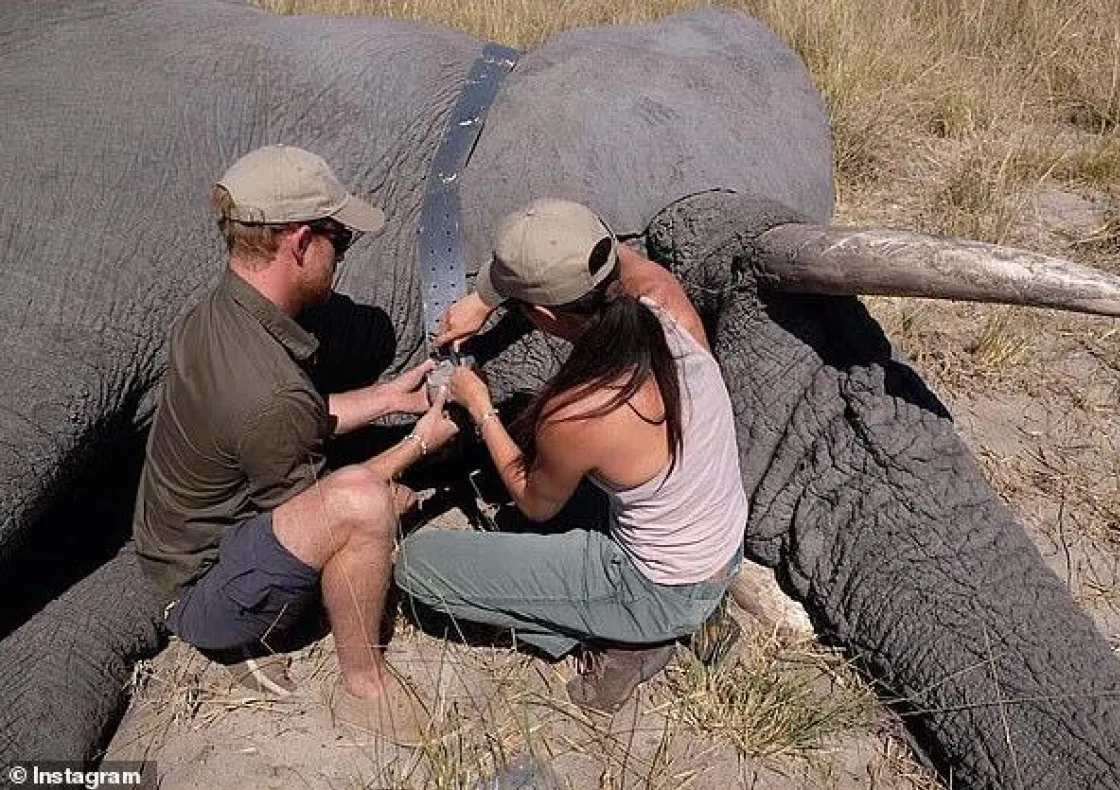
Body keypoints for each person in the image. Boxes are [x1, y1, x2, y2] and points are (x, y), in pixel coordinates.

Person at [133, 145, 458, 745]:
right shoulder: (269, 393)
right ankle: (362, 688)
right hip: (205, 592)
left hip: (175, 544)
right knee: (368, 505)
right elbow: (330, 503)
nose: (341, 256)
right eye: (341, 239)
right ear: (301, 243)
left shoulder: (219, 312)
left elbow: (288, 418)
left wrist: (387, 398)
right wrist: (419, 442)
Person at [394, 198, 747, 713]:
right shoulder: (663, 296)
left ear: (542, 315)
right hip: (721, 551)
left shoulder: (581, 412)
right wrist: (484, 299)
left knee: (418, 566)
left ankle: (631, 637)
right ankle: (669, 616)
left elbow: (534, 501)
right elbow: (598, 246)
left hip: (658, 587)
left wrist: (481, 406)